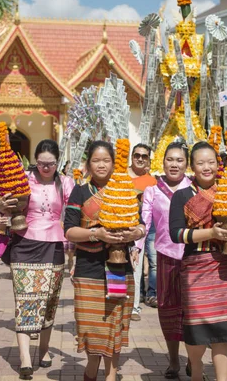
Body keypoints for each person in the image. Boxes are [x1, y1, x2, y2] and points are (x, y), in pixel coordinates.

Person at [168, 141, 227, 381]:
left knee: (225, 330)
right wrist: (212, 234)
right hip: (195, 268)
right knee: (196, 330)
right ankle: (196, 373)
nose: (207, 167)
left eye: (211, 162)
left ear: (219, 164)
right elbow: (176, 234)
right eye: (200, 163)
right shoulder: (182, 196)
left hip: (225, 267)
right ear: (191, 167)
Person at [65, 141, 144, 381]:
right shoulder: (80, 191)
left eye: (106, 160)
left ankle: (111, 375)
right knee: (91, 326)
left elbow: (140, 225)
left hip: (119, 269)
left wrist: (134, 234)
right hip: (88, 269)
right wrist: (95, 234)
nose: (101, 165)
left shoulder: (124, 189)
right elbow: (69, 231)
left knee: (115, 326)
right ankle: (91, 369)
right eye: (96, 160)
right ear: (88, 164)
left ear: (113, 162)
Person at [0, 139, 74, 380]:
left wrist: (74, 250)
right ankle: (25, 360)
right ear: (35, 161)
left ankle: (44, 348)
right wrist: (0, 206)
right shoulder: (24, 180)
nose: (46, 168)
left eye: (50, 164)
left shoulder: (67, 183)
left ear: (58, 162)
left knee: (49, 299)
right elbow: (2, 205)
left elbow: (73, 215)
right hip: (24, 243)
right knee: (26, 299)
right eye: (41, 163)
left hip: (54, 245)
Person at [136, 141, 192, 378]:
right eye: (170, 159)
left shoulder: (194, 187)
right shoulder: (152, 189)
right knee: (168, 310)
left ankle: (193, 356)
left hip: (192, 256)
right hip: (165, 257)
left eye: (180, 160)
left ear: (187, 164)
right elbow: (144, 222)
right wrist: (137, 247)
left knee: (191, 310)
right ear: (162, 160)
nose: (174, 164)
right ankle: (173, 361)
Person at [128, 143, 157, 320]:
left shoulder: (152, 181)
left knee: (152, 260)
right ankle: (131, 300)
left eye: (144, 156)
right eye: (137, 155)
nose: (140, 158)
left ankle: (148, 296)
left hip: (149, 224)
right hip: (127, 222)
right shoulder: (121, 176)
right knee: (132, 261)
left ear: (148, 159)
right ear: (132, 156)